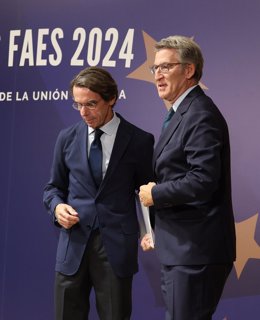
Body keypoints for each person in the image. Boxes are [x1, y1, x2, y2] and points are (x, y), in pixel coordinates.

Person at [43, 66, 154, 320]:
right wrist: (57, 208)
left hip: (115, 249)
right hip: (72, 247)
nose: (83, 112)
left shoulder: (139, 140)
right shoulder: (66, 137)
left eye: (91, 104)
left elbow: (148, 192)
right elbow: (53, 188)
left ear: (111, 98)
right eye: (77, 104)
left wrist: (150, 231)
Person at [139, 35, 236, 320]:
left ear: (189, 70)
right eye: (154, 69)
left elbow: (202, 180)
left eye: (166, 67)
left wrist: (155, 194)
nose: (158, 75)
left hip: (195, 254)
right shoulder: (181, 112)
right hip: (180, 249)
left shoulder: (199, 114)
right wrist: (155, 229)